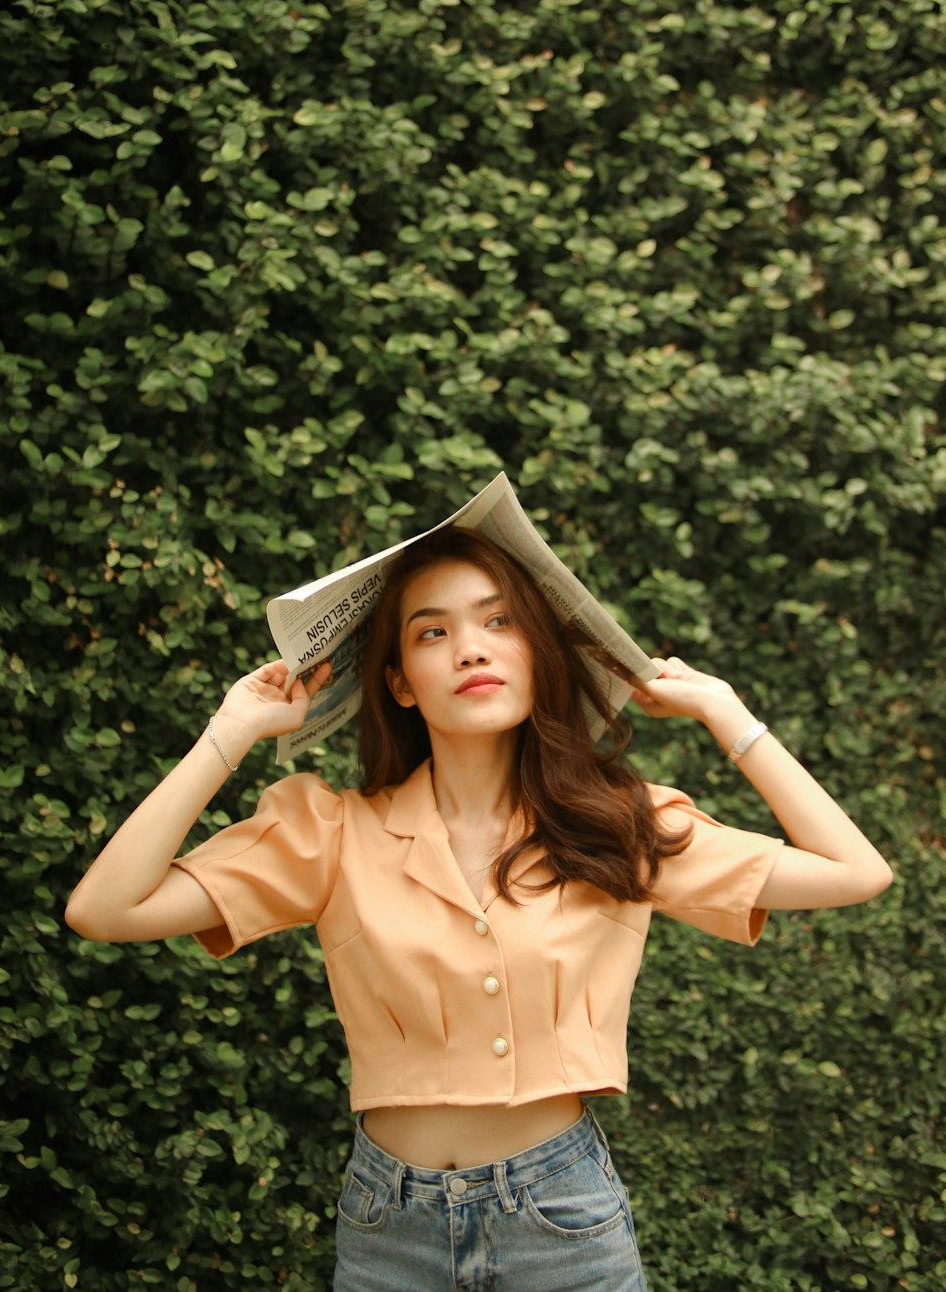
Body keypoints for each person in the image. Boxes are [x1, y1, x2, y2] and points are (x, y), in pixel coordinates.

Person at [66, 525, 893, 1291]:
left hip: (562, 1220)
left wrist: (726, 712)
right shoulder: (328, 831)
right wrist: (230, 731)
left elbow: (854, 870)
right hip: (387, 1225)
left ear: (537, 652)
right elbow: (104, 910)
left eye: (498, 622)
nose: (469, 649)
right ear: (398, 680)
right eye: (433, 632)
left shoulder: (618, 825)